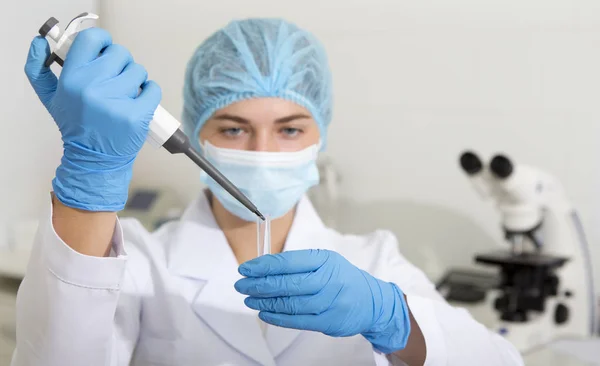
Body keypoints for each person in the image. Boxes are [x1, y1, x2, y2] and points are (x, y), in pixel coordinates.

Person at [14, 18, 523, 366]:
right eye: (233, 129)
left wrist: (395, 320)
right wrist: (89, 183)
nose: (262, 150)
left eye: (290, 129)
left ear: (321, 133)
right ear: (194, 133)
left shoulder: (374, 263)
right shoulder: (143, 262)